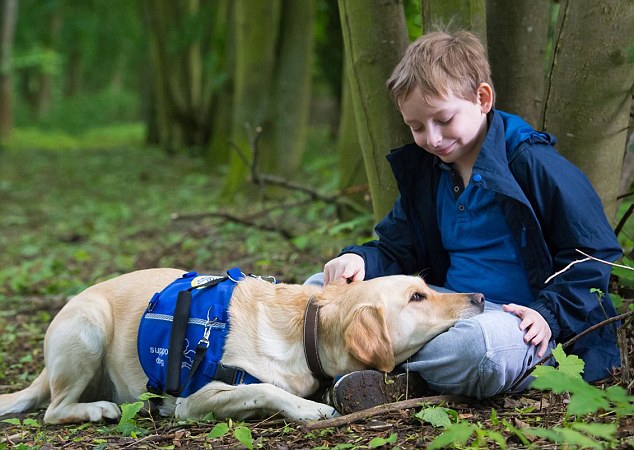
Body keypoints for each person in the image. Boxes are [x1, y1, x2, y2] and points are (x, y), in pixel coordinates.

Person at [305, 30, 622, 414]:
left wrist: (549, 314)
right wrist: (361, 260)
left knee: (477, 349)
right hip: (445, 307)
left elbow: (594, 253)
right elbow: (396, 249)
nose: (432, 138)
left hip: (517, 323)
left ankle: (375, 373)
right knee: (322, 288)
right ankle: (369, 371)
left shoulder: (532, 164)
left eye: (443, 119)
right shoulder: (430, 174)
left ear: (482, 99)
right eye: (417, 127)